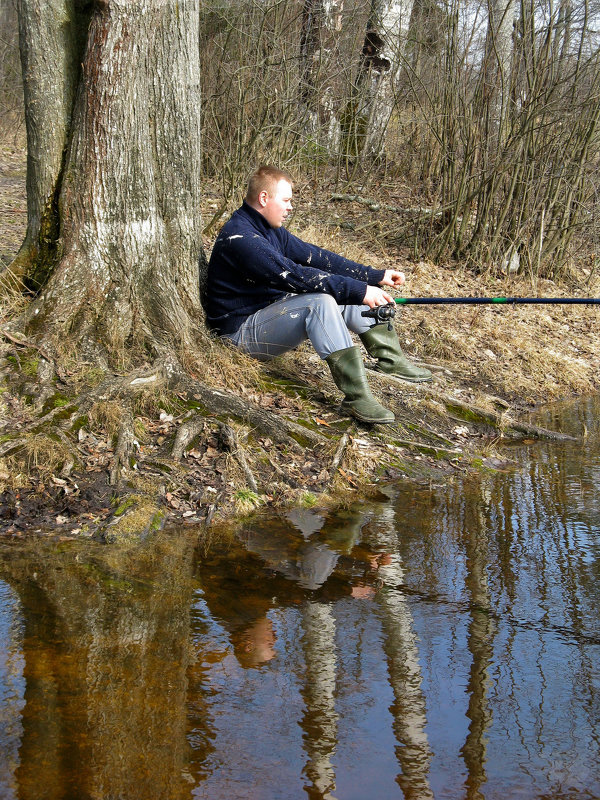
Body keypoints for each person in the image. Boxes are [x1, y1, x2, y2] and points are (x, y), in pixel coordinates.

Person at [202, 165, 432, 424]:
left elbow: (317, 257)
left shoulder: (269, 229)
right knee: (320, 301)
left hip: (267, 313)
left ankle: (391, 359)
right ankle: (357, 398)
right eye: (286, 200)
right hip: (239, 334)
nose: (290, 207)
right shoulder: (242, 238)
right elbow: (297, 277)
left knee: (345, 293)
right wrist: (359, 290)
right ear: (264, 198)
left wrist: (373, 276)